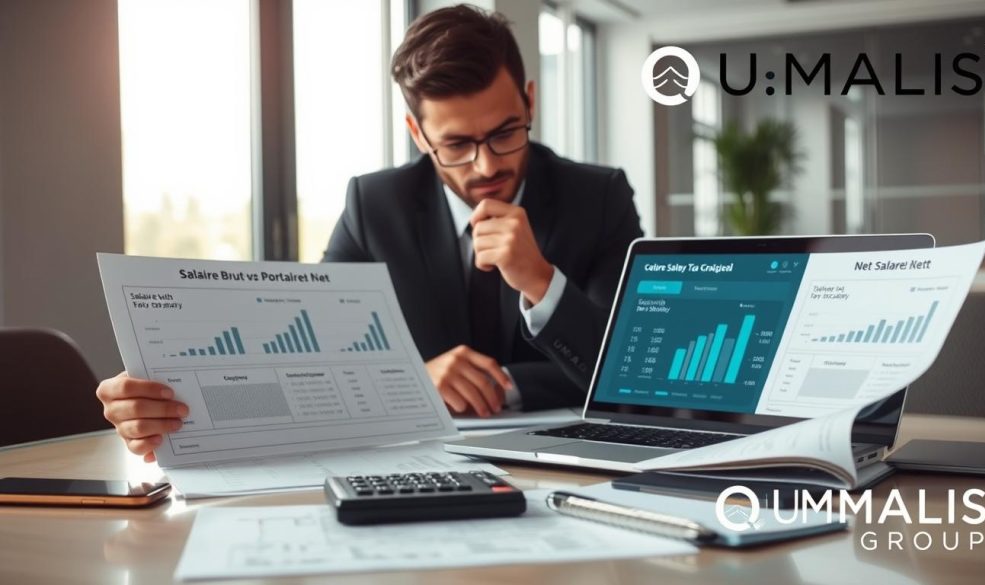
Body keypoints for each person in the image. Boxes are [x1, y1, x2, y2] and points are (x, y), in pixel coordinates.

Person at [95, 4, 643, 462]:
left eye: (505, 132)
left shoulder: (598, 198)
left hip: (572, 463)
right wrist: (163, 393)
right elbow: (309, 354)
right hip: (413, 465)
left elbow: (634, 369)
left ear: (530, 101)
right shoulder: (374, 205)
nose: (483, 166)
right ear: (417, 131)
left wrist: (542, 284)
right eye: (455, 145)